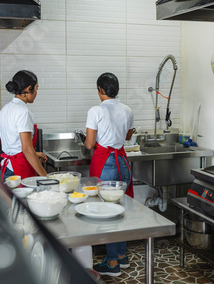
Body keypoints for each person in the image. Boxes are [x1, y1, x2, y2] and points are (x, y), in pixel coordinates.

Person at [84, 72, 135, 277]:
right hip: (122, 162)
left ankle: (112, 262)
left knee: (107, 213)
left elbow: (89, 144)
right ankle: (122, 256)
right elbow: (128, 135)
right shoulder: (127, 109)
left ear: (100, 91)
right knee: (120, 209)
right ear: (118, 90)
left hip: (106, 163)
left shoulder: (95, 110)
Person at [0, 70, 48, 181]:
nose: (36, 92)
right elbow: (27, 149)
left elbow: (14, 144)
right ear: (29, 89)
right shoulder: (23, 112)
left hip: (7, 167)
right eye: (36, 88)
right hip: (18, 170)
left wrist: (35, 154)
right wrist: (46, 177)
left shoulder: (5, 109)